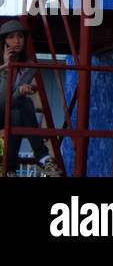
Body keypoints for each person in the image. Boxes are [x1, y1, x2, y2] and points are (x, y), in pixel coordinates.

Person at [1, 20, 60, 176]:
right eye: (11, 37)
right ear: (4, 42)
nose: (16, 41)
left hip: (10, 112)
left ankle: (10, 170)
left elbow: (11, 102)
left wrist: (20, 92)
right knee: (22, 103)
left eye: (20, 36)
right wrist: (7, 67)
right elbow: (2, 100)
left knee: (18, 111)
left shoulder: (29, 66)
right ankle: (42, 156)